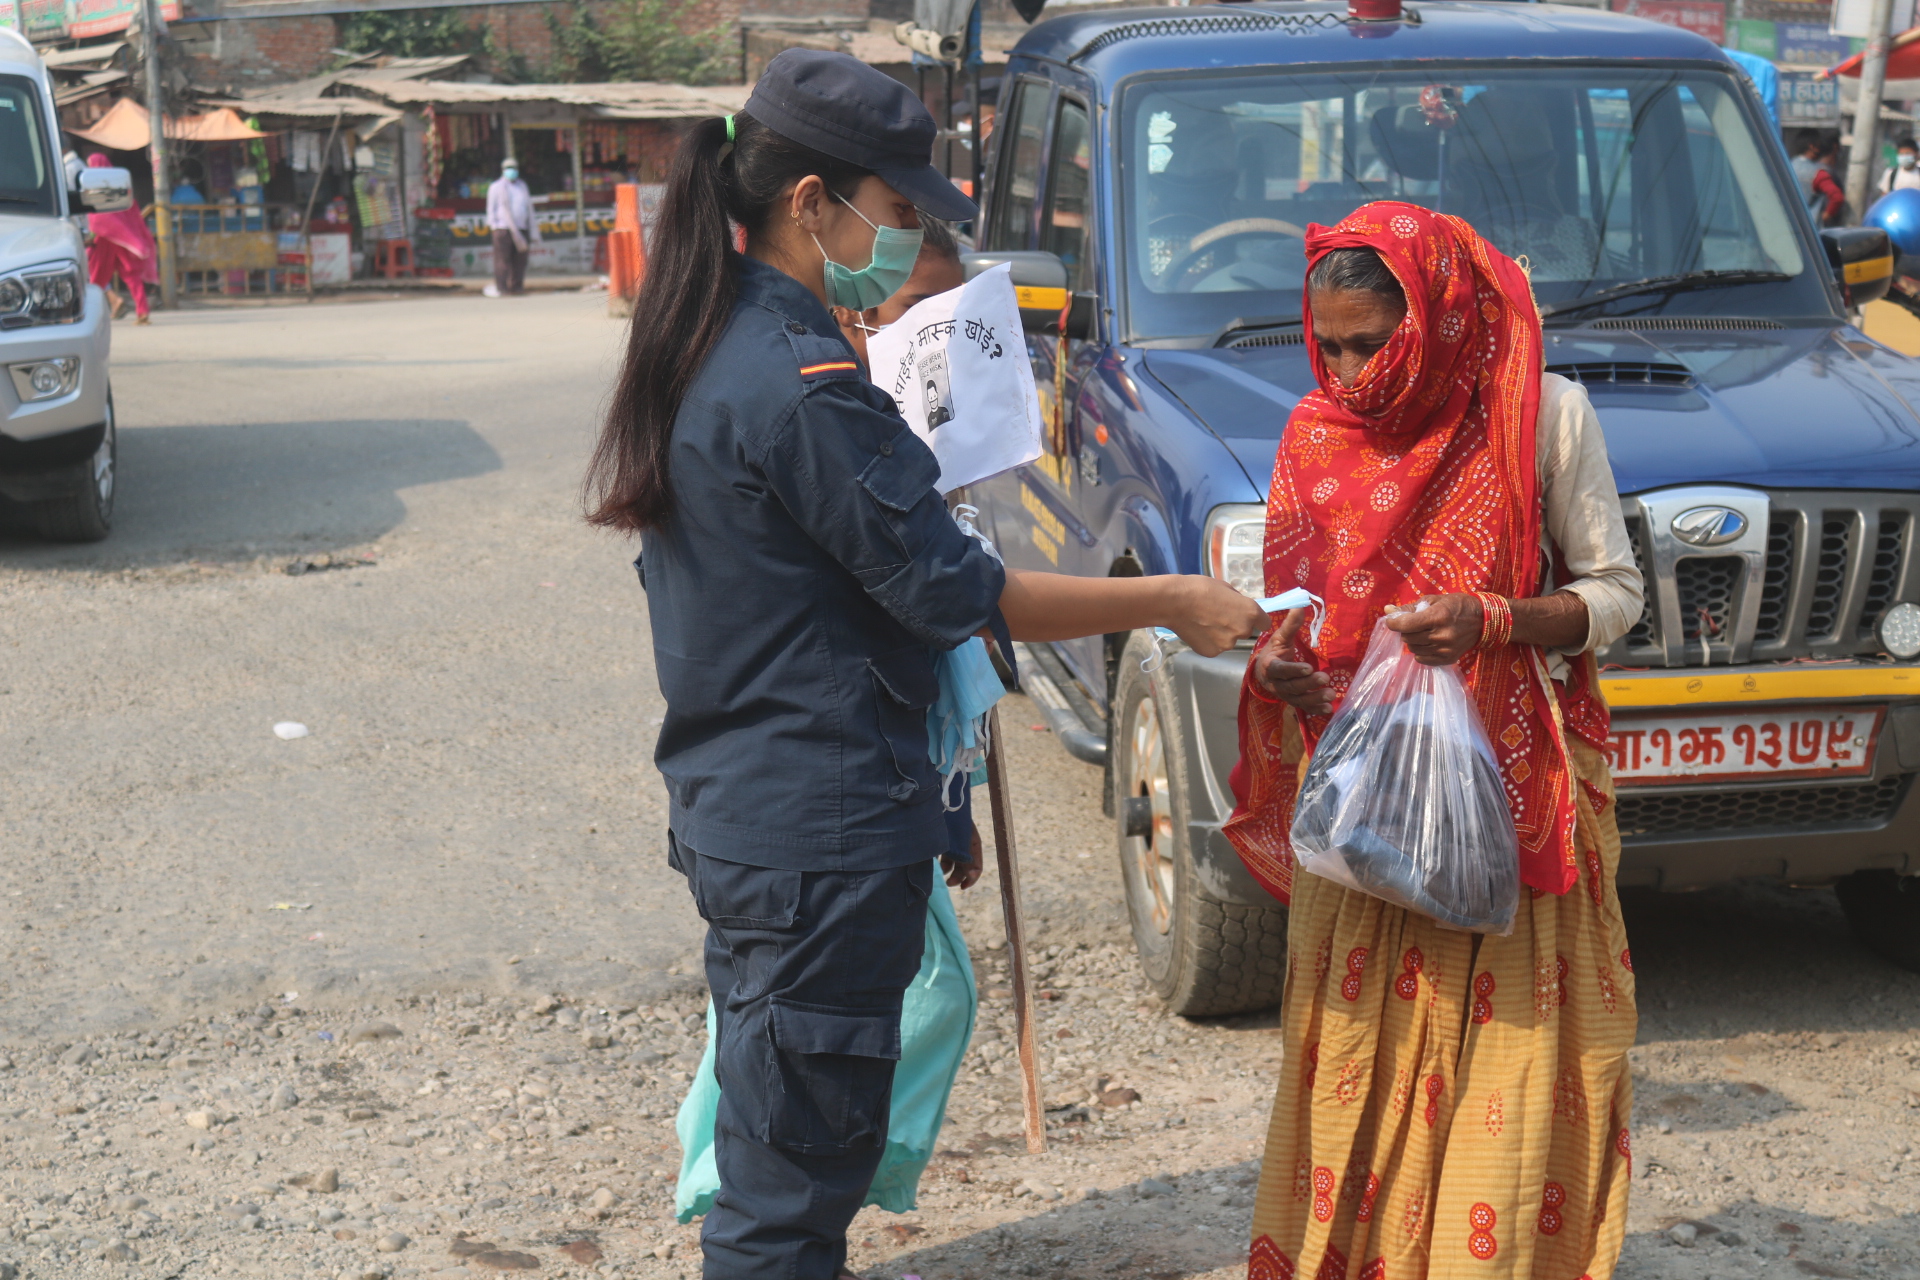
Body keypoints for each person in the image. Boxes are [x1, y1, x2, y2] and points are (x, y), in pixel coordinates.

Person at [583, 48, 1266, 1280]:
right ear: (811, 203)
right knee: (790, 1187)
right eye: (896, 209)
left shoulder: (716, 337)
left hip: (758, 815)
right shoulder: (802, 384)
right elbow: (959, 592)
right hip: (819, 833)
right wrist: (1172, 597)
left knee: (782, 1149)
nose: (904, 239)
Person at [1223, 202, 1644, 1280]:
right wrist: (1277, 666)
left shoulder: (1541, 413)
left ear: (1438, 318)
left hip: (1511, 793)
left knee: (1510, 1065)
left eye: (1372, 343)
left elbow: (1616, 595)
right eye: (1330, 345)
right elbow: (1299, 610)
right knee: (1355, 1059)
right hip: (1362, 806)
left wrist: (1494, 619)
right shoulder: (1317, 428)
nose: (1350, 371)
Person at [81, 153, 157, 324]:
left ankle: (89, 314)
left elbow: (98, 218)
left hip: (103, 238)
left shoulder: (95, 187)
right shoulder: (120, 187)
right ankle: (142, 311)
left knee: (96, 275)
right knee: (130, 273)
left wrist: (91, 235)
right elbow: (131, 213)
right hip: (122, 238)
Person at [485, 157, 537, 298]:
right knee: (502, 260)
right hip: (502, 228)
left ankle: (516, 287)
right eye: (508, 168)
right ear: (503, 170)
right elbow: (491, 209)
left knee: (520, 260)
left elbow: (528, 207)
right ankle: (502, 288)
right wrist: (494, 226)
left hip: (521, 228)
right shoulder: (496, 187)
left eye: (513, 168)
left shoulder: (522, 186)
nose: (511, 171)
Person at [1793, 132, 1846, 226]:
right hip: (1810, 226)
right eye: (1818, 145)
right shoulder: (1818, 173)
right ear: (1812, 146)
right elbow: (1837, 197)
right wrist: (1824, 216)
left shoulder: (1789, 165)